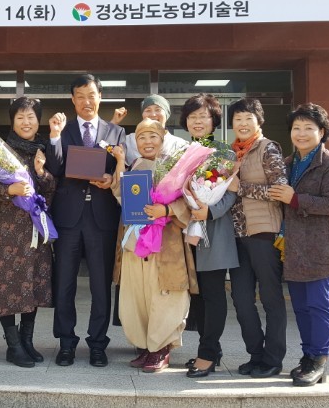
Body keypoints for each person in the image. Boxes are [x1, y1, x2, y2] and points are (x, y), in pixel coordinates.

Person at [46, 74, 126, 367]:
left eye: (91, 95)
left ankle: (98, 344)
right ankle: (66, 343)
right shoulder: (63, 131)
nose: (86, 101)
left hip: (102, 218)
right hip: (68, 218)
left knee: (100, 286)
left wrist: (110, 177)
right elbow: (54, 168)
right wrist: (54, 136)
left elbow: (123, 170)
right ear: (72, 100)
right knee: (64, 283)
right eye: (80, 96)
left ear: (100, 97)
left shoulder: (116, 131)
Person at [269, 103, 329, 387]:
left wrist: (294, 199)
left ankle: (319, 359)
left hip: (322, 246)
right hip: (294, 247)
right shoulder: (287, 164)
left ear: (322, 132)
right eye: (296, 128)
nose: (301, 133)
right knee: (302, 307)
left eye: (308, 128)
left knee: (318, 304)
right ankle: (308, 357)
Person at [111, 120, 196, 373]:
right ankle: (147, 346)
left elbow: (189, 200)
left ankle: (161, 347)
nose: (147, 142)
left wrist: (166, 210)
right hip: (135, 244)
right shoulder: (135, 165)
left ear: (162, 139)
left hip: (164, 244)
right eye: (141, 137)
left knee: (164, 295)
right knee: (137, 295)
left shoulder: (175, 167)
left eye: (152, 136)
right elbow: (120, 195)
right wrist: (119, 163)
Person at [0, 97, 56, 367]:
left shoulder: (45, 149)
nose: (26, 122)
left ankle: (27, 341)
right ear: (12, 121)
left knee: (32, 284)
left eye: (31, 117)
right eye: (20, 117)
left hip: (36, 229)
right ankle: (13, 346)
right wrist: (9, 190)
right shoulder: (0, 150)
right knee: (7, 284)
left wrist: (42, 172)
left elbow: (52, 190)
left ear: (39, 120)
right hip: (9, 229)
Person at [179, 93, 240, 378]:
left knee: (213, 294)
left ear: (214, 120)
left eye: (203, 116)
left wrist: (209, 211)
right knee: (199, 295)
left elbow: (230, 193)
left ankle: (207, 354)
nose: (198, 121)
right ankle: (211, 350)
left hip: (213, 232)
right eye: (193, 117)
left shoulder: (223, 153)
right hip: (188, 231)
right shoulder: (181, 153)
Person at [227, 97, 289, 379]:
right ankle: (256, 355)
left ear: (258, 121)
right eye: (238, 119)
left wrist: (241, 187)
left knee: (270, 298)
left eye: (248, 118)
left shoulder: (268, 148)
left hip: (264, 232)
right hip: (237, 235)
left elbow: (279, 191)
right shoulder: (231, 153)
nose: (242, 124)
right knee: (241, 299)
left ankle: (273, 359)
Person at [121, 94, 187, 166]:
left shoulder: (179, 145)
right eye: (148, 110)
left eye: (158, 110)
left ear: (167, 114)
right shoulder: (128, 141)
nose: (153, 114)